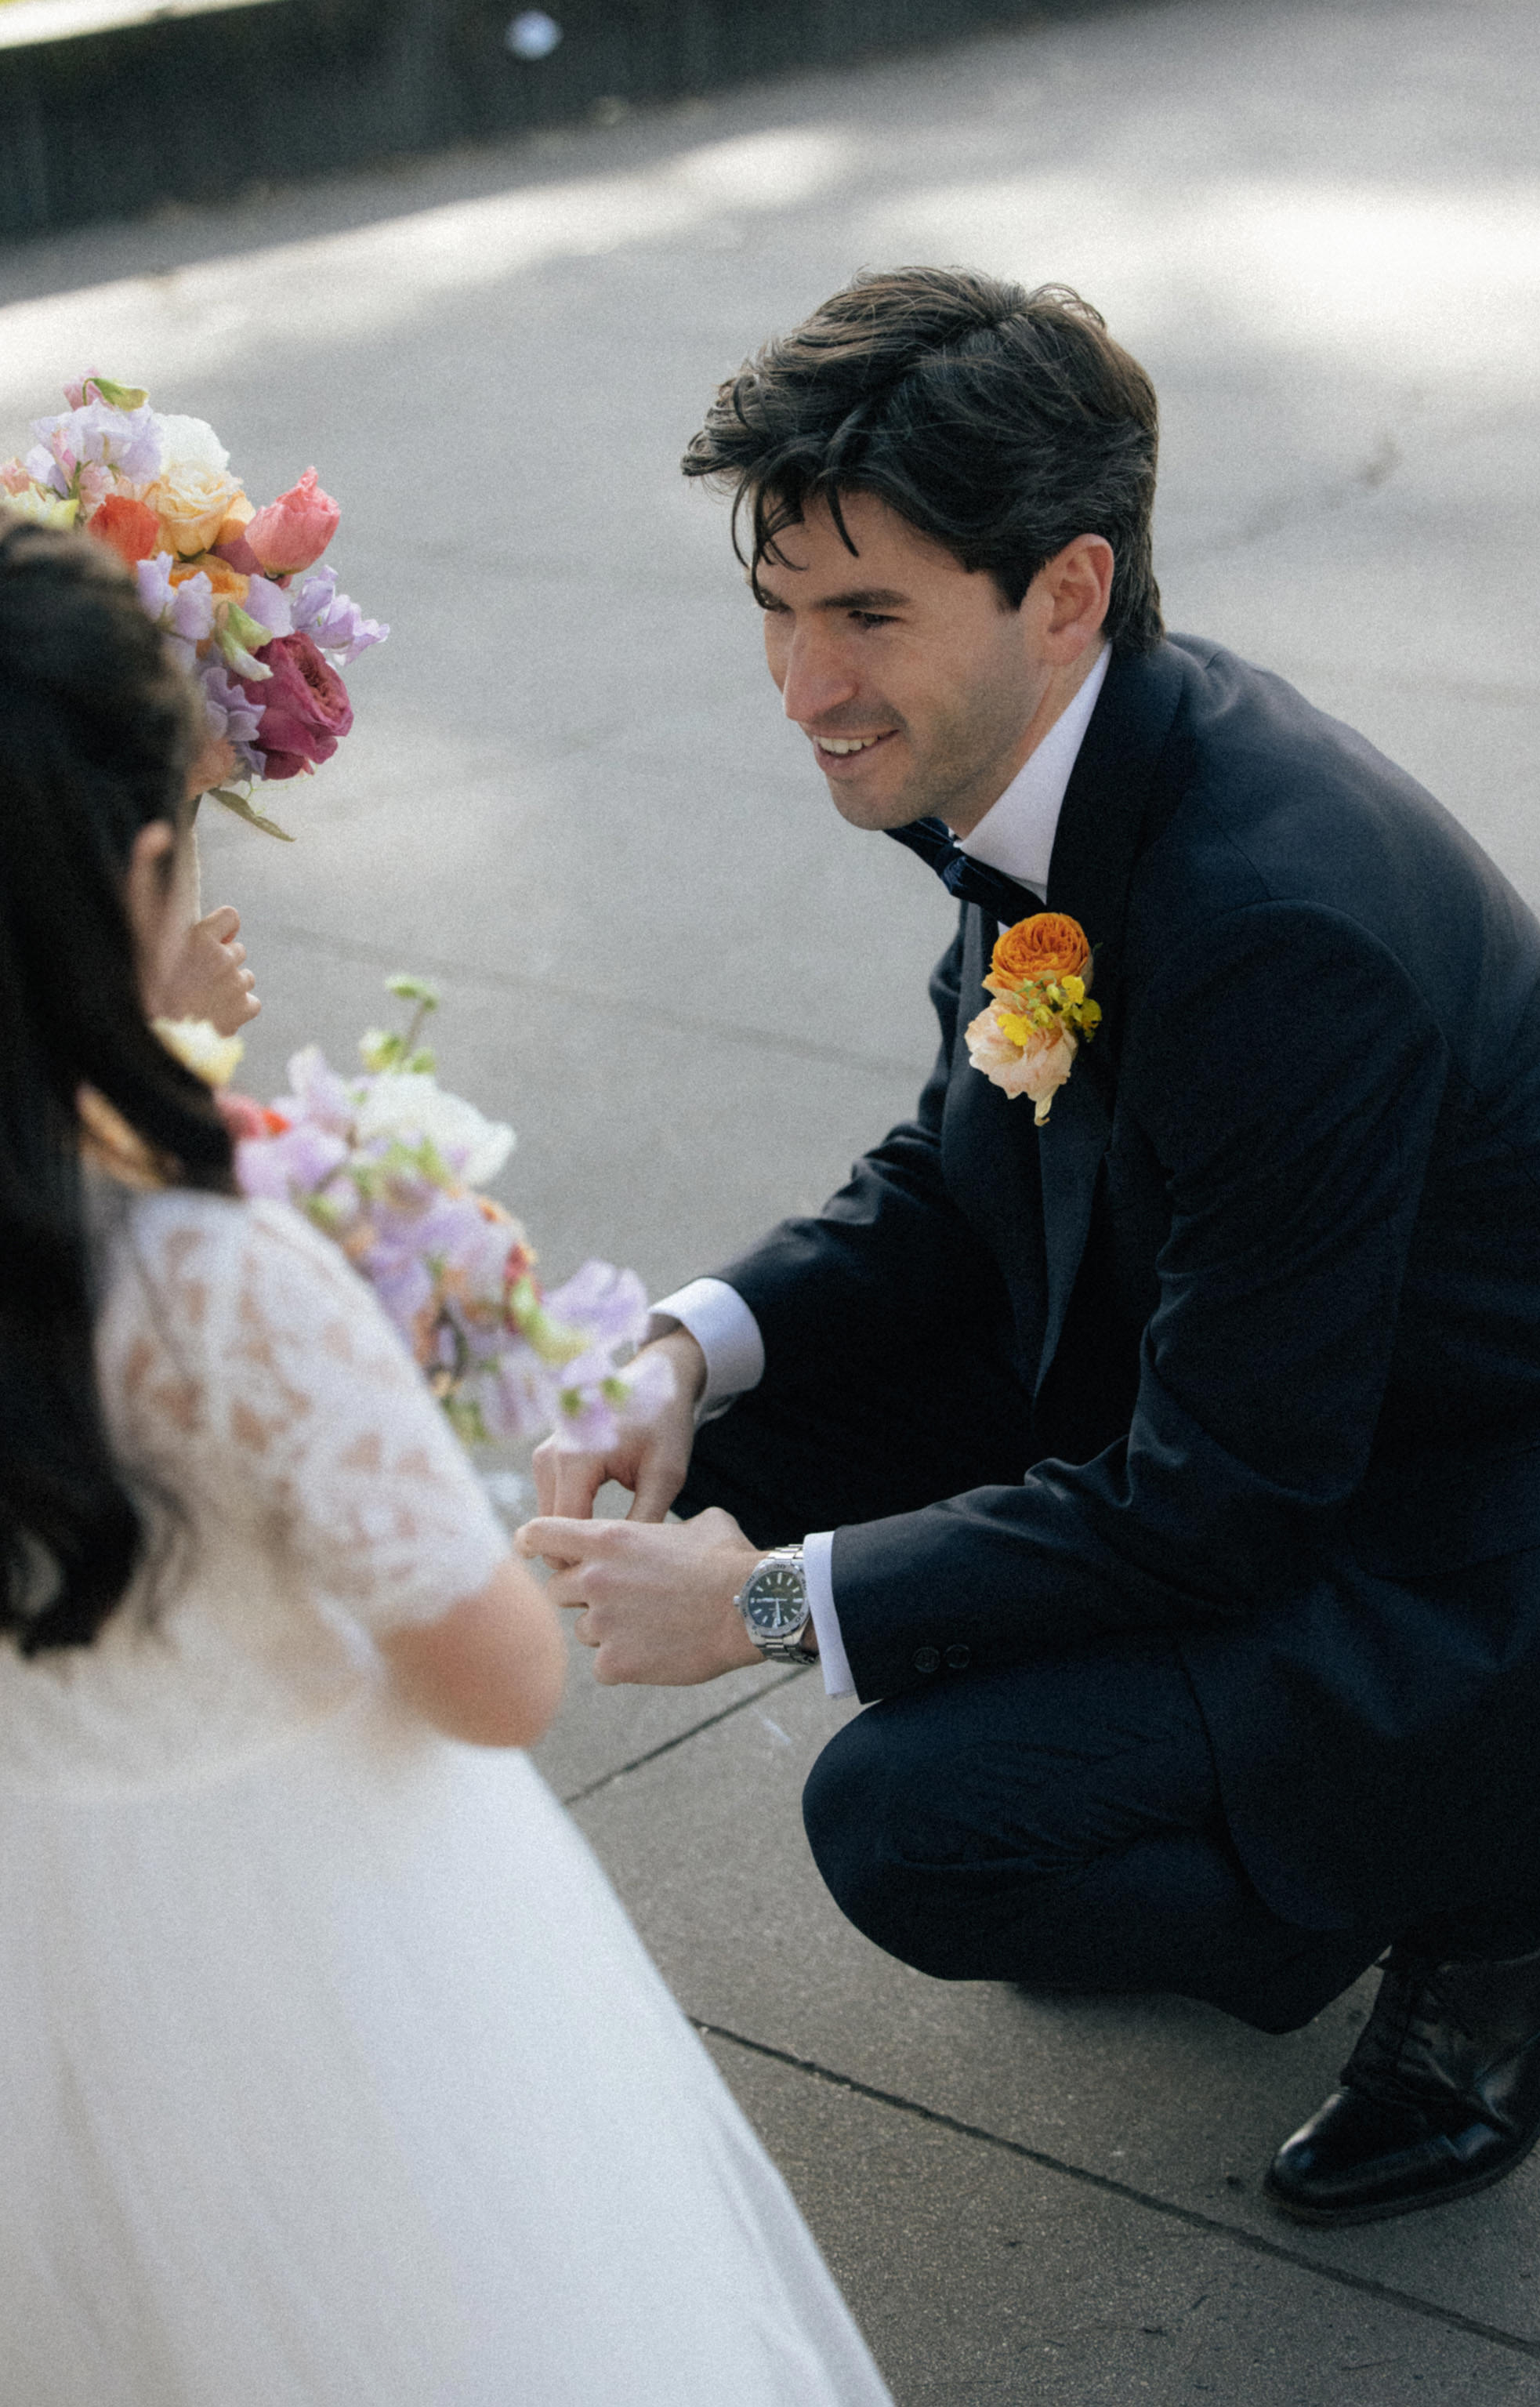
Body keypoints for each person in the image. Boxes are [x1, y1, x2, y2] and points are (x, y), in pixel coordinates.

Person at [526, 266, 1540, 2228]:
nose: (802, 689)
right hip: (1247, 1387)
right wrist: (682, 1348)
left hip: (1464, 1541)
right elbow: (962, 1171)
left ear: (1067, 590)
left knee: (908, 1824)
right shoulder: (1068, 763)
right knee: (723, 1450)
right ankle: (1222, 1801)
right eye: (778, 608)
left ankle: (1511, 1886)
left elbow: (1226, 1503)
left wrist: (763, 1609)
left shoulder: (1278, 923)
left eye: (867, 617)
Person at [0, 516, 891, 2407]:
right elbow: (495, 1680)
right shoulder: (227, 1284)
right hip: (289, 1956)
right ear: (143, 875)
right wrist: (389, 1406)